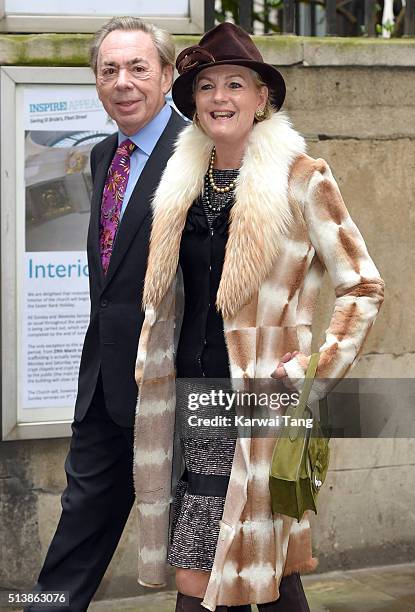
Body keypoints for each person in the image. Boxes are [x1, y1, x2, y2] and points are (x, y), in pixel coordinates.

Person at [133, 21, 385, 612]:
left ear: (261, 98)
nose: (221, 97)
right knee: (256, 571)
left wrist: (317, 365)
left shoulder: (303, 179)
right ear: (193, 103)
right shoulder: (183, 185)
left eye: (236, 84)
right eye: (207, 86)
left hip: (257, 399)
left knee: (214, 573)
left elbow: (364, 284)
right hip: (186, 399)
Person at [26, 17, 186, 612]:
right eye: (109, 70)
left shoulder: (199, 157)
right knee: (78, 533)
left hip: (175, 388)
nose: (123, 82)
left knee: (216, 544)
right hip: (103, 386)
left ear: (168, 76)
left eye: (139, 67)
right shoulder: (101, 156)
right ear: (96, 82)